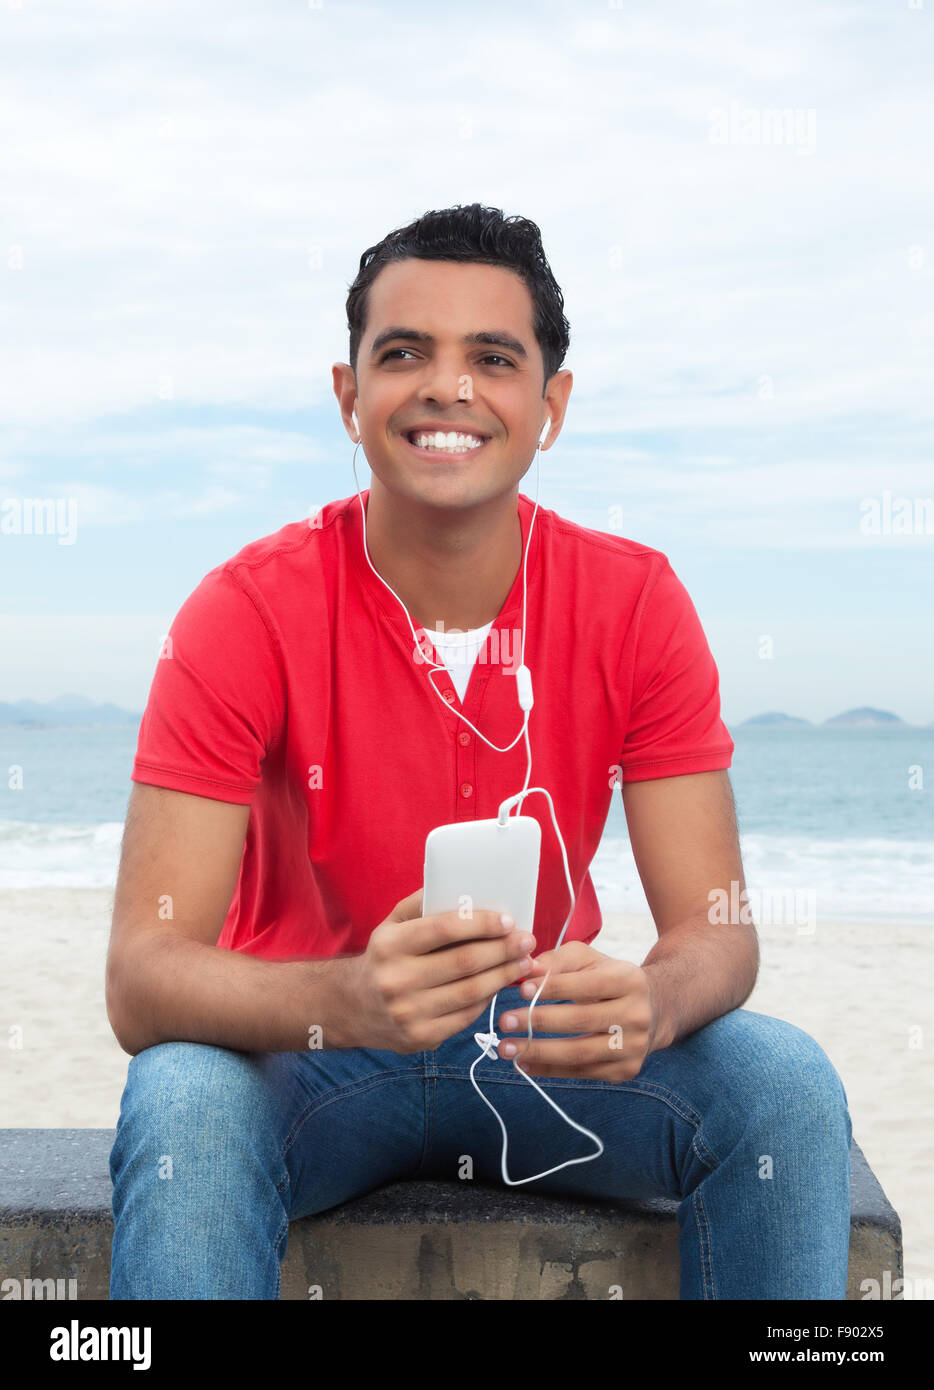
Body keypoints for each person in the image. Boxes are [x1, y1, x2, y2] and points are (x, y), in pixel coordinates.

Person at [106, 203, 852, 1300]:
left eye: (491, 359)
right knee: (181, 1096)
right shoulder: (243, 610)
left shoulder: (634, 600)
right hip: (306, 1053)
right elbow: (141, 978)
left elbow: (716, 933)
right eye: (402, 353)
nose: (446, 388)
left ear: (548, 405)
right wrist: (353, 998)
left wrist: (651, 1000)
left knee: (782, 1080)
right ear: (347, 393)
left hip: (542, 1045)